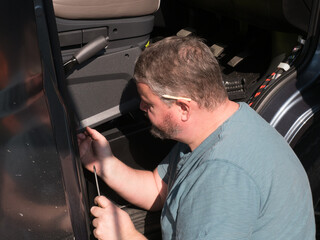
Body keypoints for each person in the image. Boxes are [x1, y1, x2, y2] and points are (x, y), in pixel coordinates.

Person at [77, 36, 315, 240]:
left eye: (148, 103)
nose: (141, 107)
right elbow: (160, 190)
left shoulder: (222, 176)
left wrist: (126, 235)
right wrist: (105, 165)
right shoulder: (215, 124)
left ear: (183, 107)